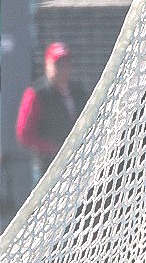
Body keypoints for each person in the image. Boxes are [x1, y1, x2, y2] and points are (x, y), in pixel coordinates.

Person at [14, 42, 90, 185]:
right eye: (57, 64)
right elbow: (24, 134)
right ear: (47, 66)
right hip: (48, 167)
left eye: (66, 64)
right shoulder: (37, 94)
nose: (62, 69)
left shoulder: (79, 91)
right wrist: (53, 148)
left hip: (79, 163)